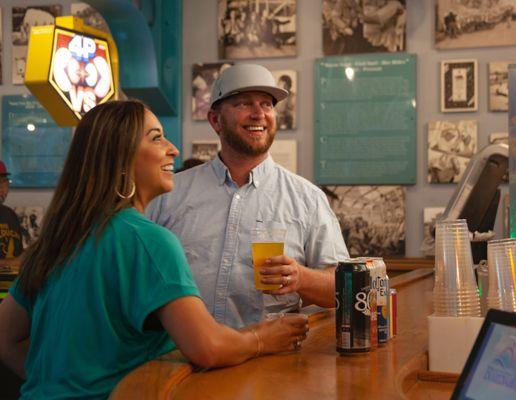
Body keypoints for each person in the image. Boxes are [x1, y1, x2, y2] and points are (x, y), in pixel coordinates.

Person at [0, 100, 309, 399]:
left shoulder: (55, 240)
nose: (172, 149)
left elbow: (6, 339)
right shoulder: (147, 240)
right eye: (156, 138)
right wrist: (263, 338)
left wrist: (63, 384)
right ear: (121, 157)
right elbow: (209, 347)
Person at [147, 64, 349, 329]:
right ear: (215, 120)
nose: (258, 114)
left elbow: (343, 286)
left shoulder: (307, 199)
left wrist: (300, 277)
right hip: (180, 358)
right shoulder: (169, 193)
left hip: (268, 364)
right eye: (243, 104)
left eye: (266, 104)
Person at [0, 161, 23, 268]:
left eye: (4, 182)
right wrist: (11, 263)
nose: (2, 188)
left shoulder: (10, 215)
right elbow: (15, 261)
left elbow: (18, 254)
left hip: (13, 283)